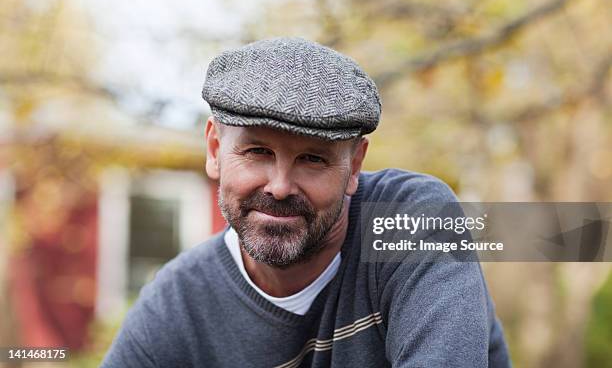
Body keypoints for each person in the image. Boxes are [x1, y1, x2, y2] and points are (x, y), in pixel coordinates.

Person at [102, 37, 511, 367]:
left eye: (312, 159)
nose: (280, 186)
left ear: (354, 167)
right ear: (214, 149)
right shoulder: (177, 306)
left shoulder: (413, 224)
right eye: (257, 152)